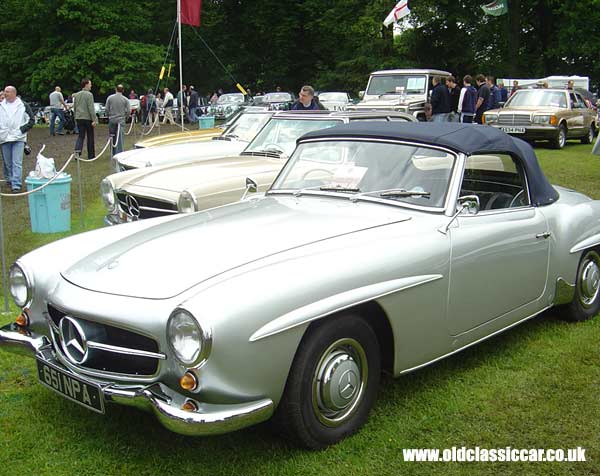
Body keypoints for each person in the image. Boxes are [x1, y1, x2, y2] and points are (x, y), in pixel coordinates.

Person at [0, 86, 35, 192]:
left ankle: (16, 184)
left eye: (7, 92)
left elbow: (31, 120)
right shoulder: (1, 106)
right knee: (7, 162)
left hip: (18, 138)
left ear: (14, 93)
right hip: (4, 137)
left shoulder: (23, 105)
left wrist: (21, 130)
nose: (5, 94)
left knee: (16, 162)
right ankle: (10, 179)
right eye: (5, 92)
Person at [73, 78, 96, 159]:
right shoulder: (89, 95)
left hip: (79, 118)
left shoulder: (76, 95)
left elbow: (75, 107)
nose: (91, 85)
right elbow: (91, 108)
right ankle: (91, 155)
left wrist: (75, 117)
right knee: (90, 137)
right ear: (86, 84)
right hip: (87, 118)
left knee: (80, 136)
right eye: (90, 84)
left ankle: (77, 152)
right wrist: (94, 119)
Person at [105, 84, 131, 155]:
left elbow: (107, 109)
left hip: (112, 119)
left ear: (115, 89)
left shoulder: (110, 98)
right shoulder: (125, 99)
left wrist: (108, 116)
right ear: (123, 90)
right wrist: (126, 117)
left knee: (112, 136)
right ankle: (119, 152)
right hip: (121, 119)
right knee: (120, 138)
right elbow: (129, 110)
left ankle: (112, 152)